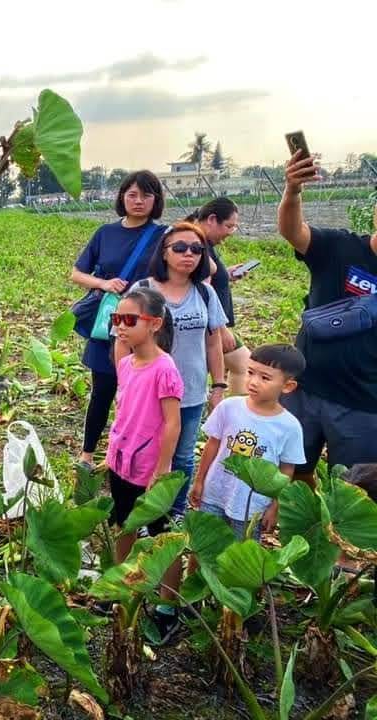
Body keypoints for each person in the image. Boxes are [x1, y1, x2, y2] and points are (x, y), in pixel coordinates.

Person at [277, 151, 377, 480]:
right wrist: (292, 190)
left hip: (362, 403)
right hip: (304, 387)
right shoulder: (339, 247)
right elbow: (294, 231)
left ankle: (333, 533)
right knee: (294, 472)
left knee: (353, 487)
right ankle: (306, 526)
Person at [125, 221, 228, 514]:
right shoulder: (142, 290)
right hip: (148, 393)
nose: (189, 254)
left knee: (182, 458)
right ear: (165, 253)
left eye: (197, 249)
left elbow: (213, 343)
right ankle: (143, 513)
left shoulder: (206, 294)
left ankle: (175, 513)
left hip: (191, 392)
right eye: (180, 247)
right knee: (145, 454)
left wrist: (219, 385)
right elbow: (122, 338)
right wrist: (126, 381)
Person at [71, 171, 166, 469]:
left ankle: (126, 454)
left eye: (146, 195)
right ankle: (87, 454)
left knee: (139, 395)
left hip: (147, 322)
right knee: (103, 389)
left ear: (156, 200)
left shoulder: (164, 235)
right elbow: (76, 273)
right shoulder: (105, 233)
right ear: (122, 196)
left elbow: (186, 260)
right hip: (110, 320)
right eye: (132, 194)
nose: (138, 201)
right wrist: (104, 283)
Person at [105, 286, 183, 638]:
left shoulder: (165, 368)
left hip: (150, 467)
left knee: (162, 535)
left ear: (154, 324)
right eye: (116, 319)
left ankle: (169, 604)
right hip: (121, 461)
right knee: (124, 525)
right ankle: (120, 586)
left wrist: (163, 468)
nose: (120, 326)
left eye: (128, 319)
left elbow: (172, 423)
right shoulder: (126, 363)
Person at [189, 344, 306, 540]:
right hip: (214, 493)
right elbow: (212, 445)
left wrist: (275, 507)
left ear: (287, 386)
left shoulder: (289, 426)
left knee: (240, 557)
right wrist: (199, 481)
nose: (253, 381)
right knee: (203, 547)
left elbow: (286, 470)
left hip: (252, 507)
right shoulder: (228, 407)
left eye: (265, 378)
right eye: (250, 372)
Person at [188, 198, 252, 395]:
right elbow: (200, 289)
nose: (230, 232)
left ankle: (216, 416)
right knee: (243, 364)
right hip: (209, 326)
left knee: (202, 375)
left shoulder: (200, 241)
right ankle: (233, 420)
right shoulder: (195, 244)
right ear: (212, 219)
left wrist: (227, 274)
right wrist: (221, 329)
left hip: (208, 325)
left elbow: (206, 277)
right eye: (229, 226)